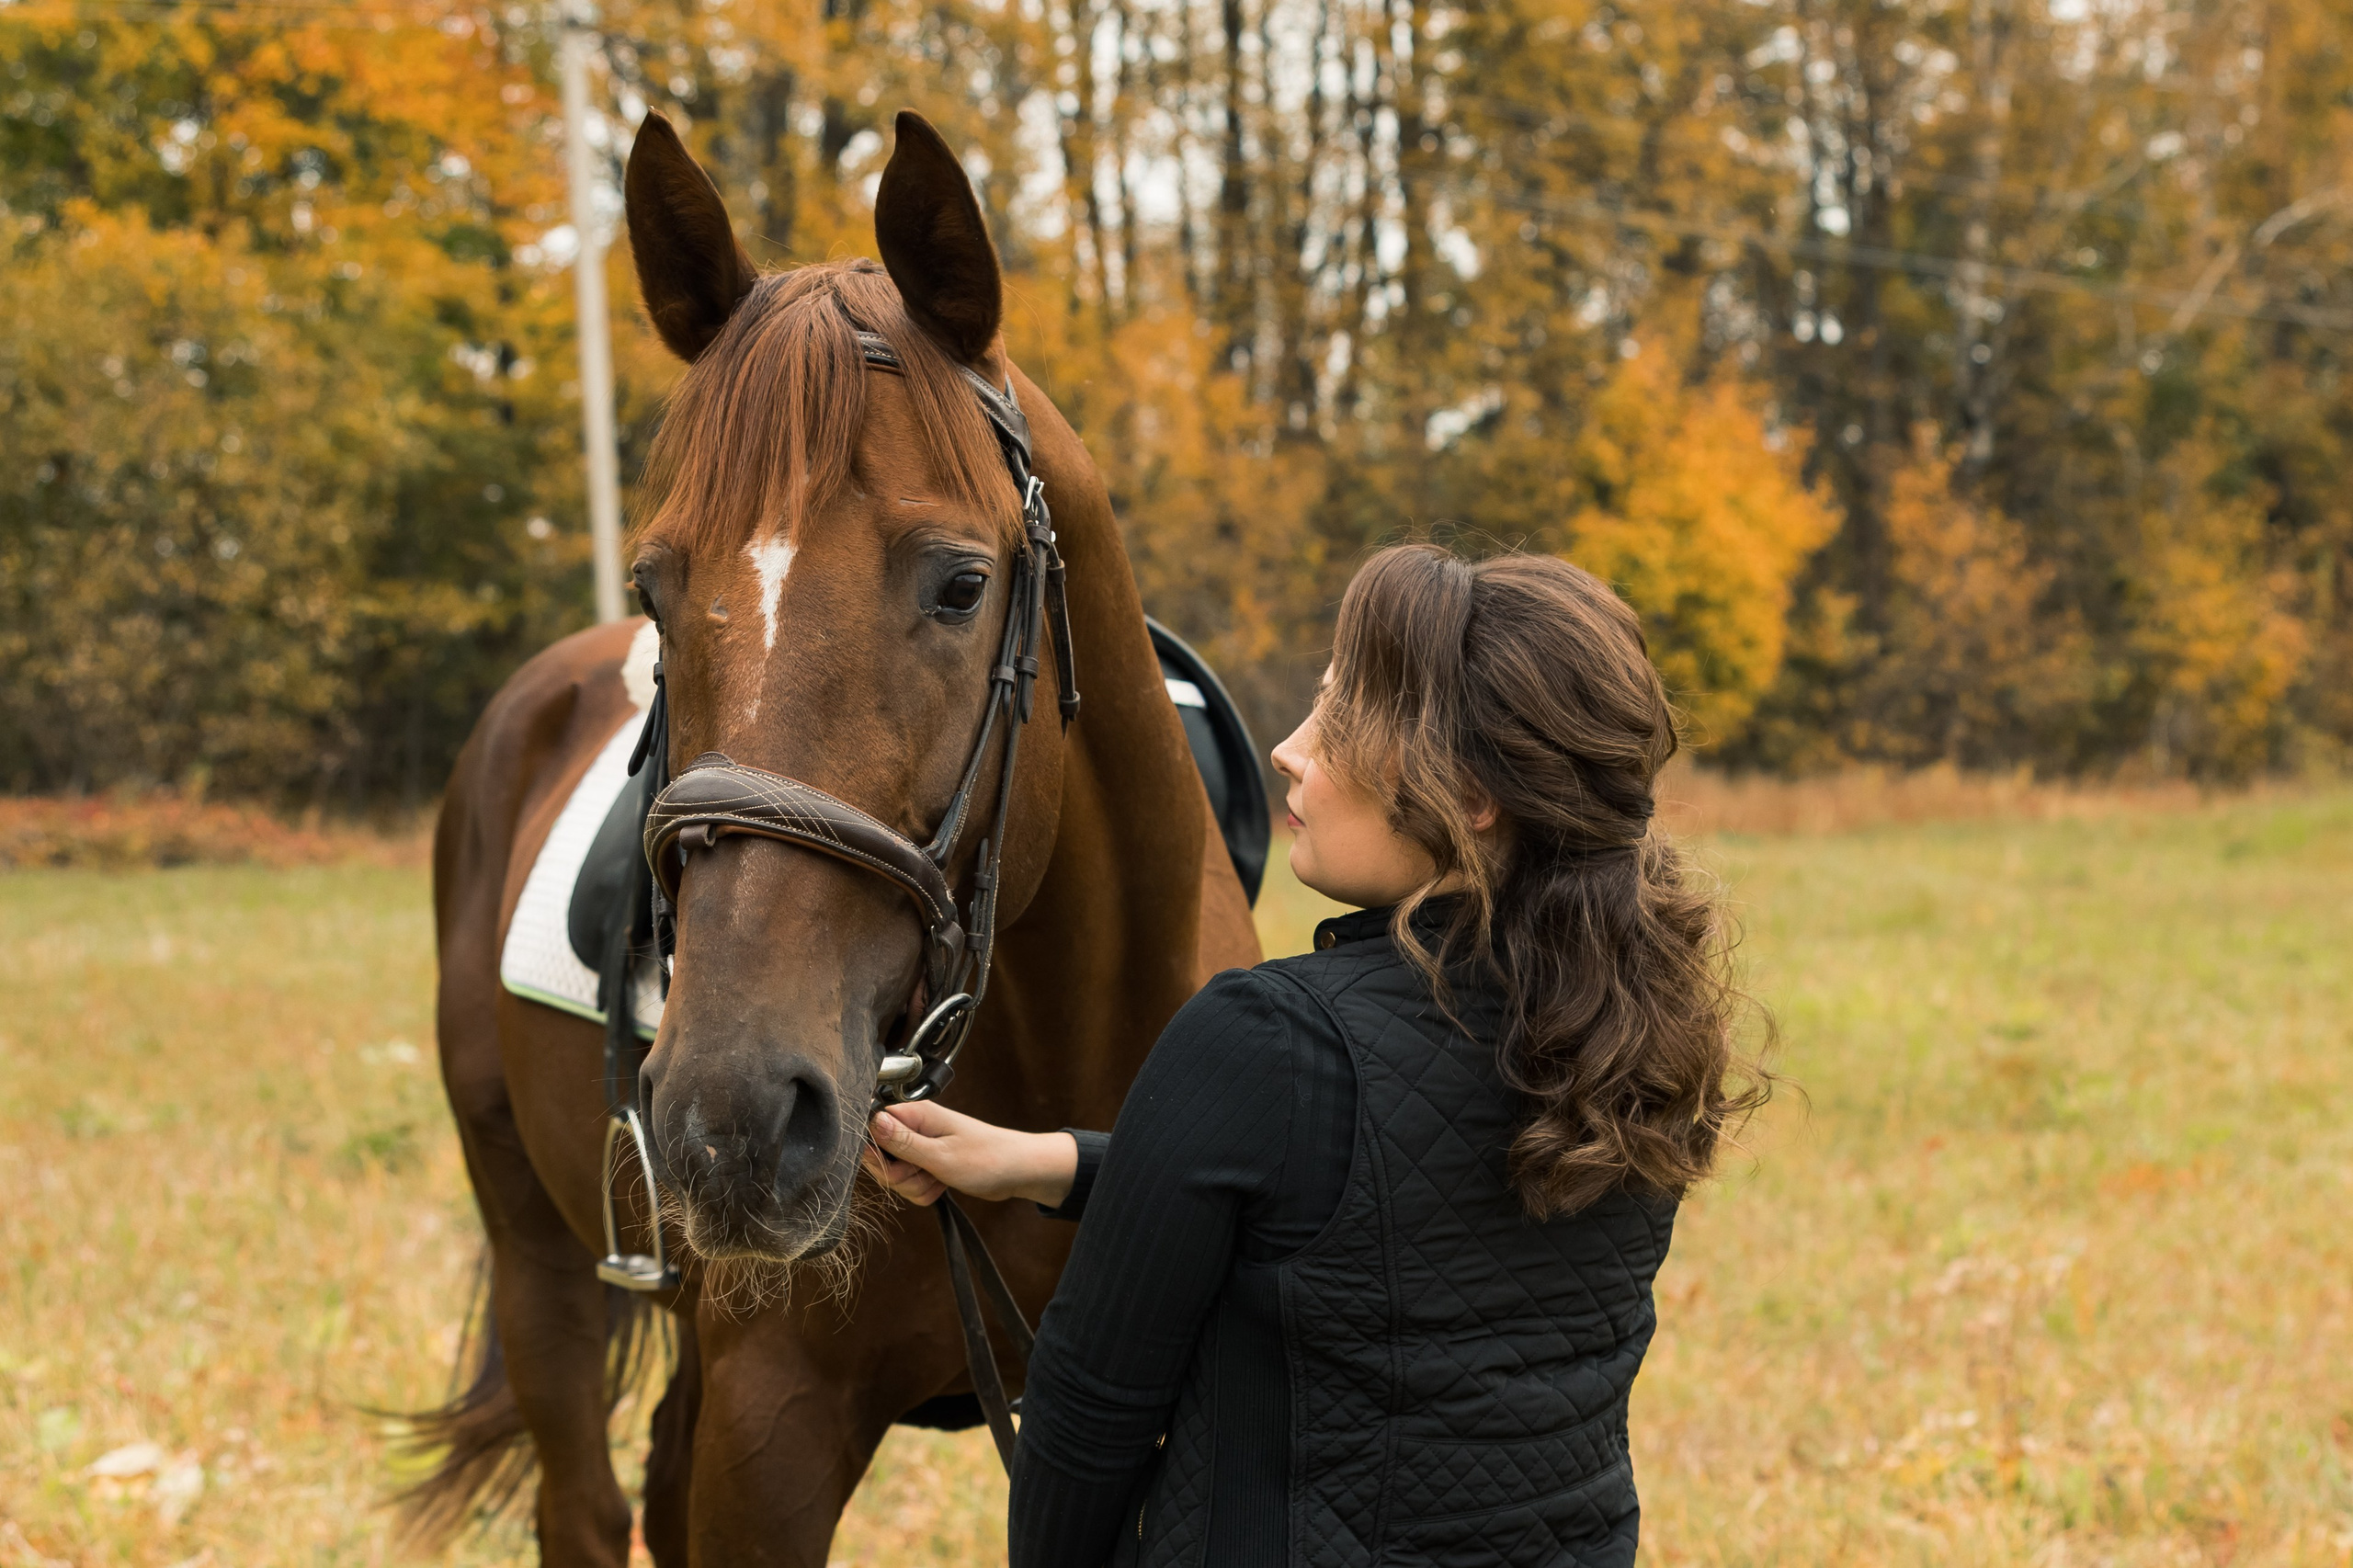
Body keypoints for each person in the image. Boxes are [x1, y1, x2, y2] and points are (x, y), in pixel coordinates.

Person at [863, 543, 1768, 1566]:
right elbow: (1387, 1209)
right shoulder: (1628, 1023)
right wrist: (1049, 1161)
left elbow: (1089, 1406)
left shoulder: (1269, 1038)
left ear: (1472, 793)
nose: (1289, 749)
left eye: (1341, 718)